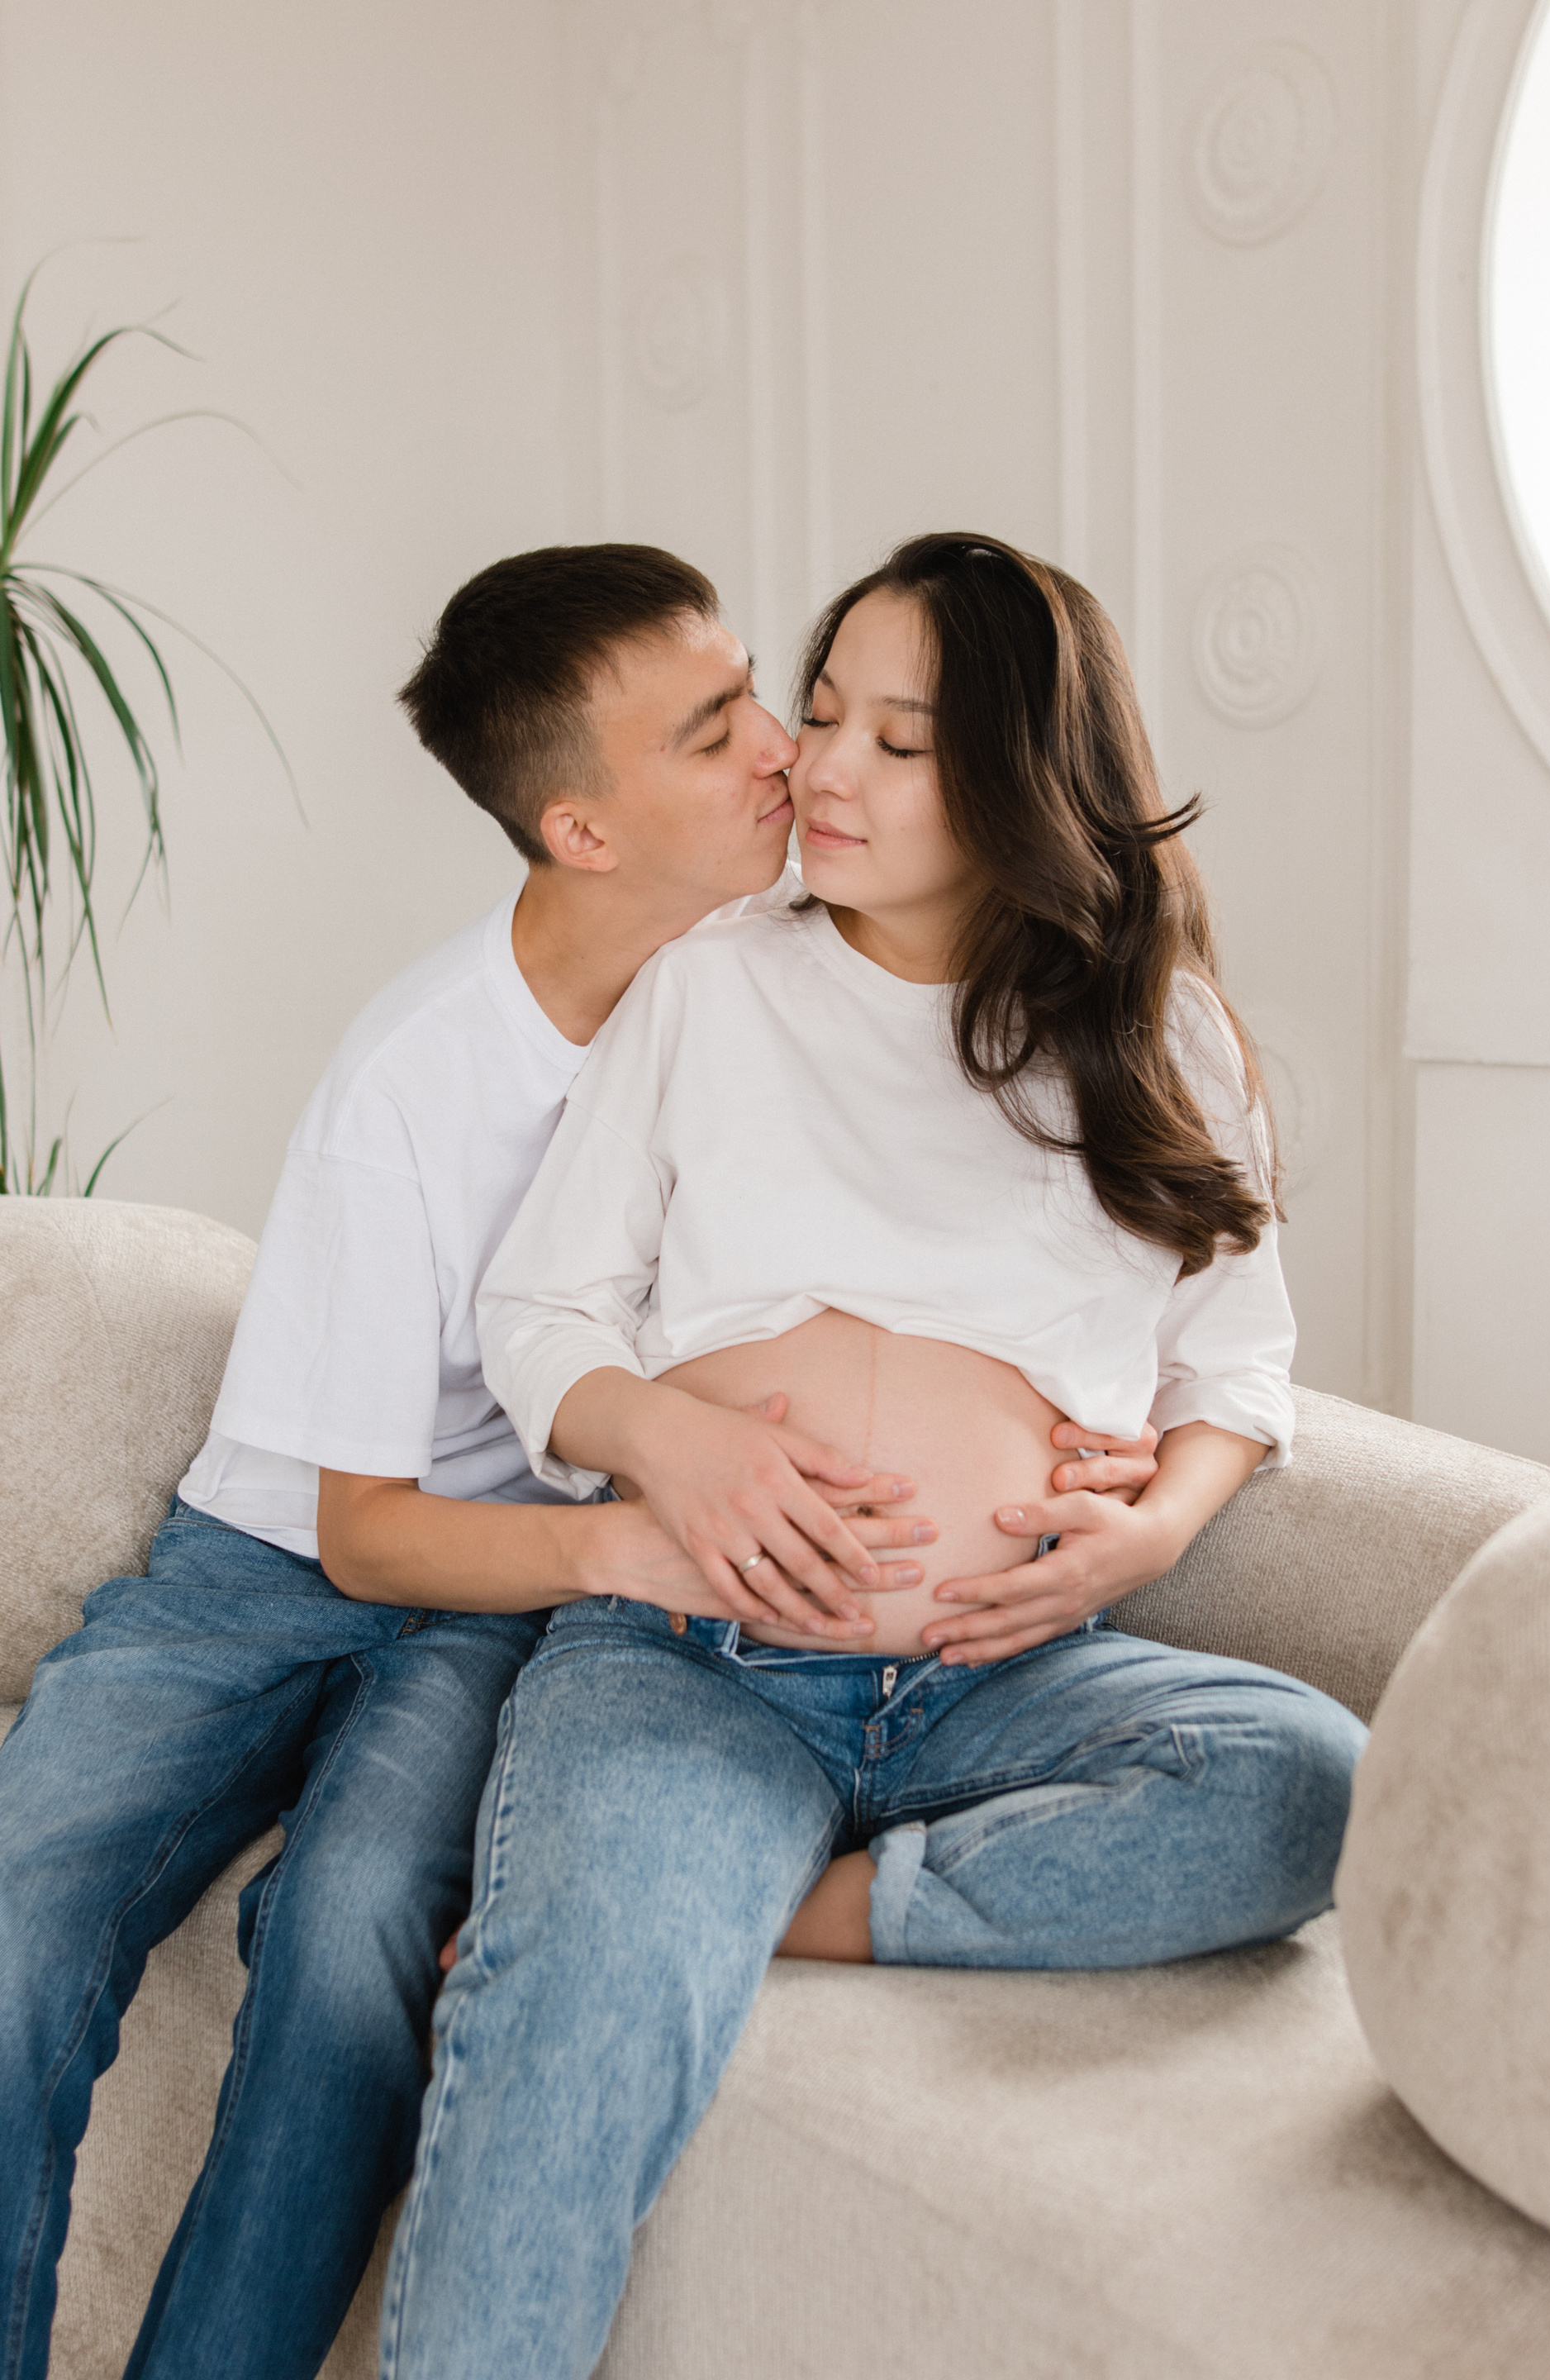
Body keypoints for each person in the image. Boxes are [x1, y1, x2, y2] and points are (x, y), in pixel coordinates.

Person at [5, 545, 1135, 2380]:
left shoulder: (794, 967)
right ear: (583, 831)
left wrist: (1095, 1432)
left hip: (514, 1604)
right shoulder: (415, 1083)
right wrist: (644, 1536)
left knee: (359, 1925)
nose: (785, 749)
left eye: (764, 692)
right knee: (17, 1915)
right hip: (294, 1559)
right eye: (719, 729)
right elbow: (364, 1536)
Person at [378, 532, 1370, 2380]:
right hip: (698, 1662)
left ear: (1020, 777)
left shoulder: (1153, 1032)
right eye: (821, 710)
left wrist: (1149, 1536)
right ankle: (645, 1914)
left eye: (898, 743)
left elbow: (1238, 1367)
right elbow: (545, 1315)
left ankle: (799, 1907)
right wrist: (671, 1446)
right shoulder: (711, 986)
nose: (819, 766)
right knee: (563, 2050)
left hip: (998, 1676)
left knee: (1310, 1778)